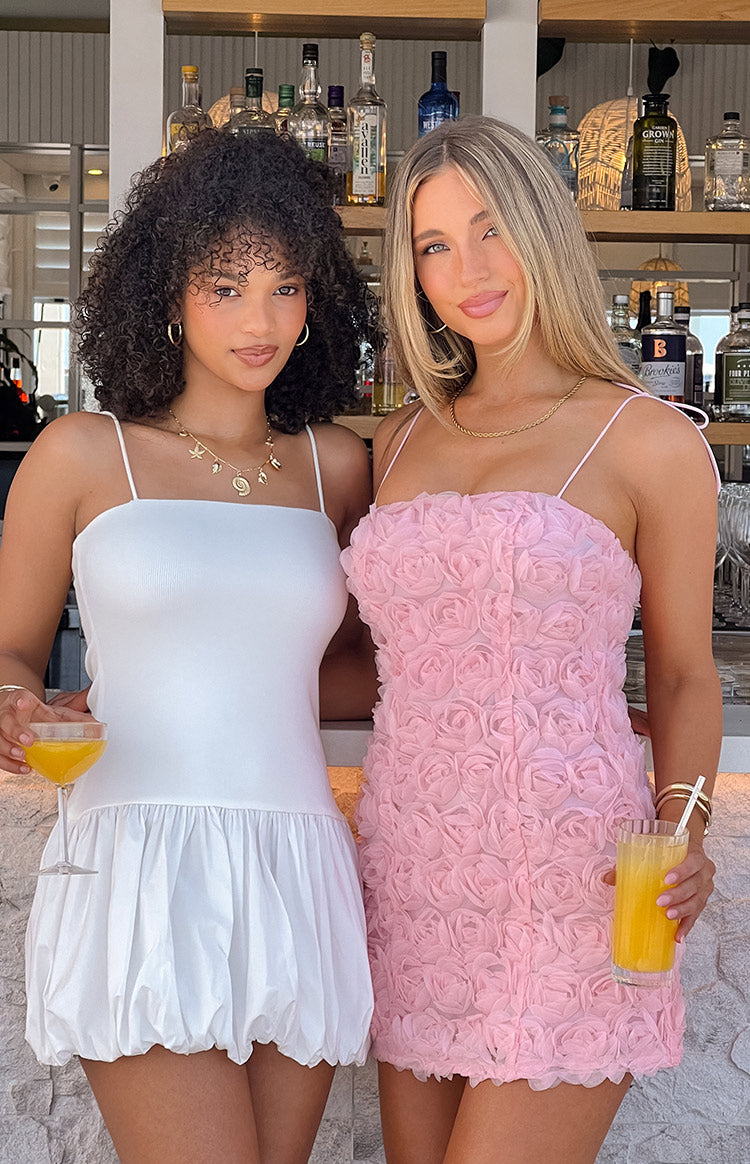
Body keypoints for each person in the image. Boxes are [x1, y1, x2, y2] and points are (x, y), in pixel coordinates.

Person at [341, 116, 720, 1164]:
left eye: (491, 229)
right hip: (414, 874)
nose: (468, 269)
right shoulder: (400, 435)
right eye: (433, 244)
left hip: (576, 881)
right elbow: (384, 656)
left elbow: (686, 673)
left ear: (545, 230)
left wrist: (685, 828)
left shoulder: (645, 438)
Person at [0, 128, 376, 1164]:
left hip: (297, 861)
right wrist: (16, 704)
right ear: (166, 294)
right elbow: (12, 653)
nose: (260, 320)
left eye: (285, 286)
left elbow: (371, 657)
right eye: (224, 286)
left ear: (317, 301)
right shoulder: (83, 454)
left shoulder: (338, 466)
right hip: (138, 862)